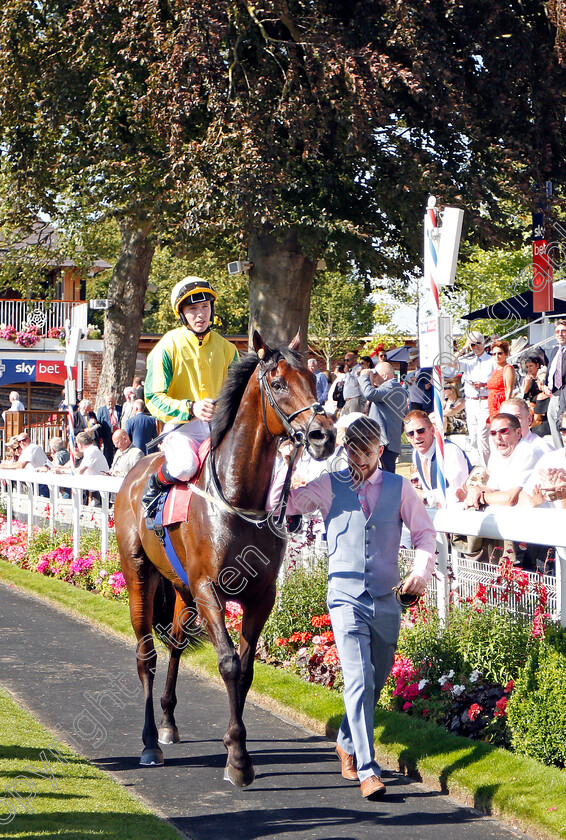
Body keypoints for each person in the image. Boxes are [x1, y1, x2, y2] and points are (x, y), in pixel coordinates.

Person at [269, 416, 436, 799]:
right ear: (345, 450)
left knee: (375, 683)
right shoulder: (329, 485)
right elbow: (283, 506)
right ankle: (368, 768)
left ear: (380, 450)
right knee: (358, 680)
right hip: (344, 597)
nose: (358, 459)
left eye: (366, 451)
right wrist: (287, 461)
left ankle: (346, 740)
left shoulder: (400, 487)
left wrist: (420, 572)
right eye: (352, 450)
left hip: (386, 598)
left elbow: (425, 534)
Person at [142, 277, 238, 519]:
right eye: (193, 309)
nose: (200, 314)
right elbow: (153, 398)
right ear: (182, 314)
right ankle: (155, 484)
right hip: (181, 428)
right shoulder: (167, 346)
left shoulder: (228, 349)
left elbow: (238, 394)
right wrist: (191, 408)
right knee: (186, 467)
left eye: (205, 306)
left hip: (219, 428)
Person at [465, 413, 537, 510]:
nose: (498, 437)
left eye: (504, 431)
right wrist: (475, 490)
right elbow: (492, 488)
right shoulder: (496, 454)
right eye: (493, 433)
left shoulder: (528, 452)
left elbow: (511, 499)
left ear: (518, 433)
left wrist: (480, 497)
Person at [445, 331, 496, 467]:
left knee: (483, 437)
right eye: (472, 344)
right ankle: (478, 467)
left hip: (485, 400)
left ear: (484, 343)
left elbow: (498, 381)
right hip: (471, 401)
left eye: (477, 343)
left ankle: (488, 467)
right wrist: (464, 348)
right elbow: (449, 363)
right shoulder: (468, 361)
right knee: (473, 437)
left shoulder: (491, 360)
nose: (475, 347)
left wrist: (485, 385)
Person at [404, 410, 470, 507]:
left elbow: (459, 493)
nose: (416, 436)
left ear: (432, 430)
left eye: (420, 431)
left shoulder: (449, 451)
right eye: (411, 433)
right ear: (407, 437)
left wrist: (426, 496)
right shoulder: (416, 454)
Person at [358, 362, 407, 473]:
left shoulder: (390, 386)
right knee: (385, 477)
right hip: (390, 442)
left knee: (383, 478)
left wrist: (364, 376)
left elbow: (369, 394)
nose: (373, 377)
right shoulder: (398, 388)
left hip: (384, 444)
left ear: (385, 376)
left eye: (375, 374)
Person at [541, 320, 566, 448]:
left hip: (564, 392)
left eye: (563, 331)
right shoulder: (555, 350)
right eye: (557, 331)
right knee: (553, 421)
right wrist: (546, 385)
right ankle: (560, 453)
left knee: (562, 424)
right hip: (554, 393)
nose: (560, 334)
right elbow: (551, 370)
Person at [486, 339, 516, 421]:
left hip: (501, 403)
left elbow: (509, 390)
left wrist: (506, 407)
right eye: (494, 354)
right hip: (493, 404)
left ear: (506, 354)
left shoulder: (508, 368)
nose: (496, 356)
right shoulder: (496, 369)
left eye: (499, 353)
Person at [97, 394, 122, 467]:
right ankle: (108, 467)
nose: (110, 403)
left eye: (112, 401)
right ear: (105, 402)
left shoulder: (119, 409)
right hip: (107, 435)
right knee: (108, 453)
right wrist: (101, 436)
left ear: (115, 401)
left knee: (119, 451)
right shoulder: (101, 410)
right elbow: (99, 423)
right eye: (109, 402)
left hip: (118, 434)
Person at [341, 350, 365, 415]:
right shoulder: (351, 370)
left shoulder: (359, 369)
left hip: (355, 399)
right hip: (348, 400)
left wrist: (347, 373)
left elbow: (355, 384)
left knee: (353, 421)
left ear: (354, 360)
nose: (346, 362)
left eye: (347, 360)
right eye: (345, 360)